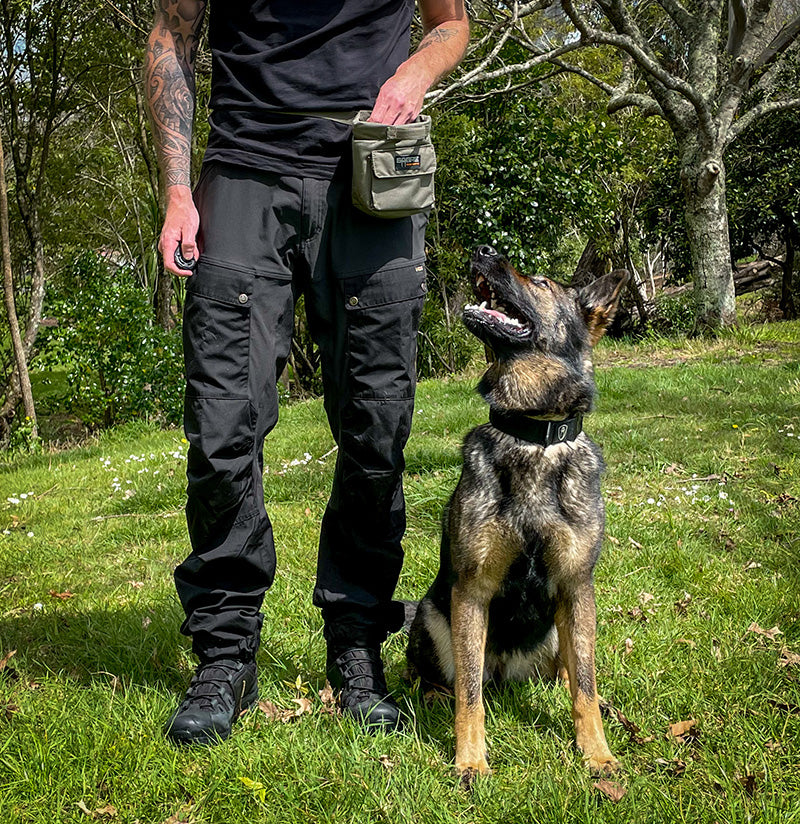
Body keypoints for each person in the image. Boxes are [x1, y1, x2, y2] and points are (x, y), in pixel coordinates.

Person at [144, 0, 469, 745]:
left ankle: (356, 644)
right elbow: (171, 35)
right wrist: (177, 189)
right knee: (223, 425)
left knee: (377, 428)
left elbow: (452, 22)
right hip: (245, 173)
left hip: (371, 175)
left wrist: (417, 71)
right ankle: (226, 654)